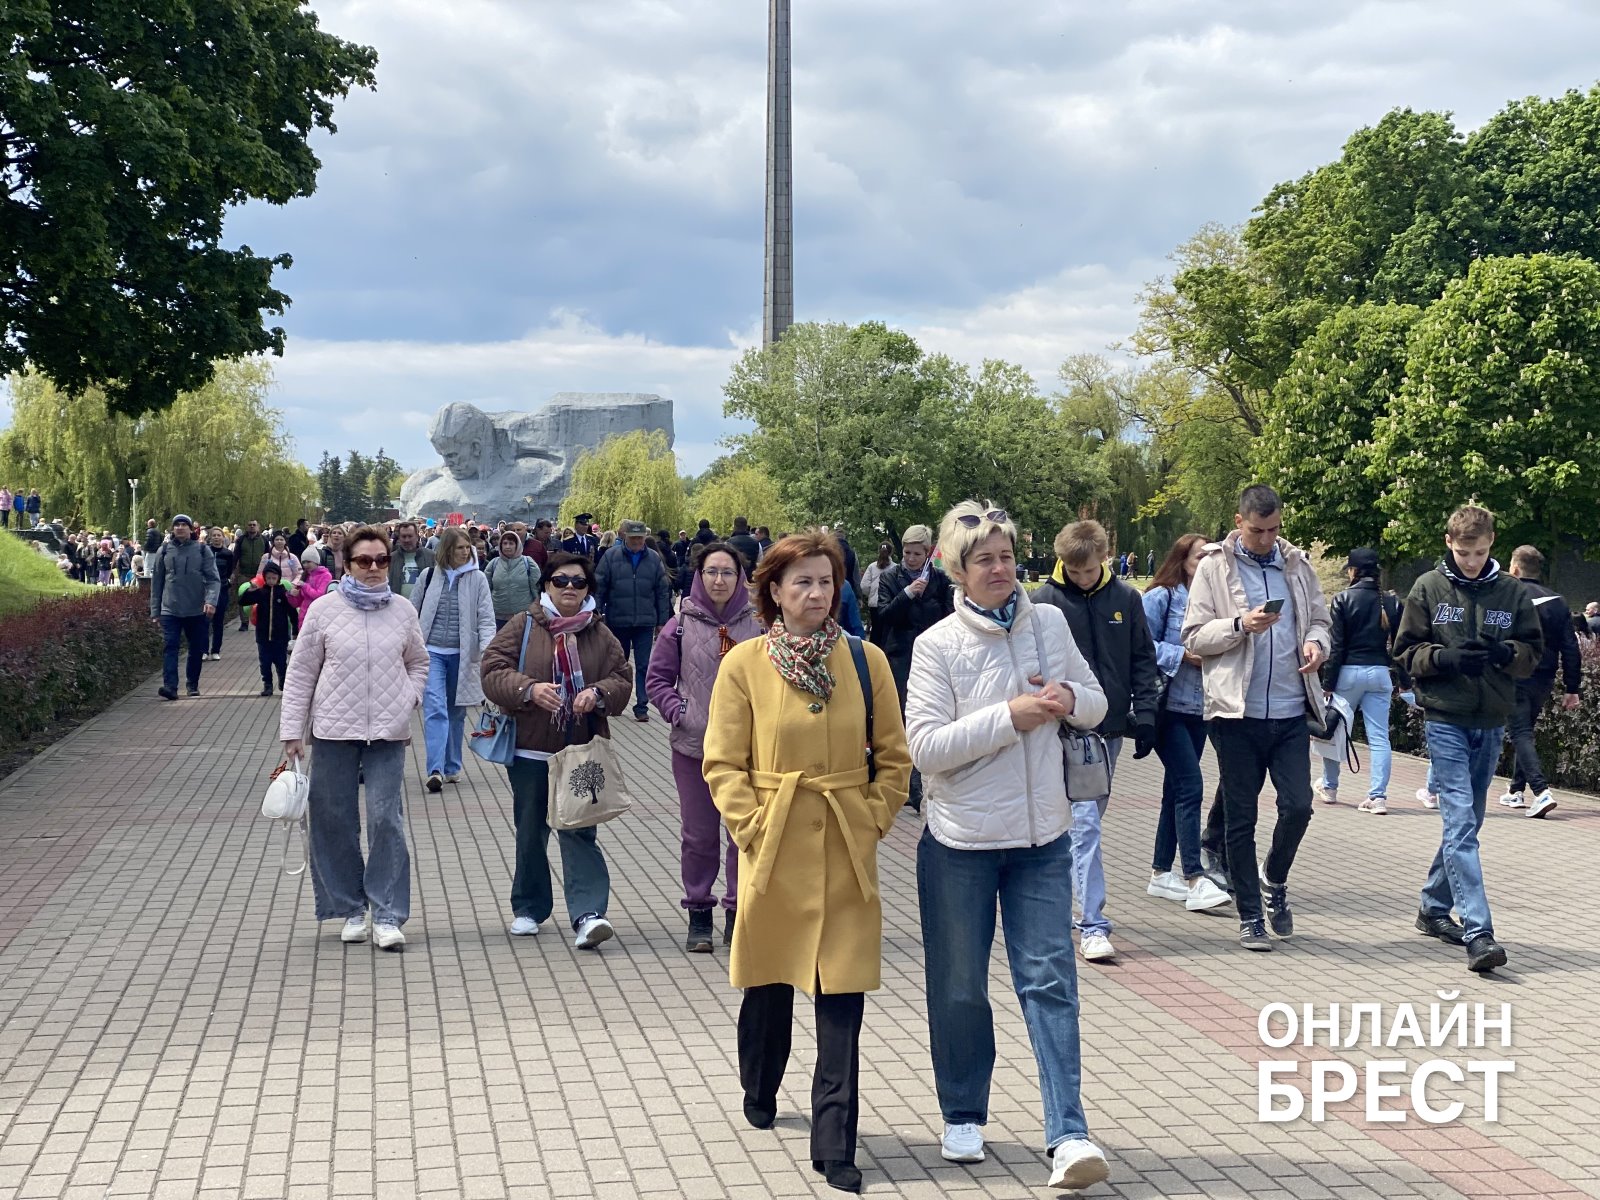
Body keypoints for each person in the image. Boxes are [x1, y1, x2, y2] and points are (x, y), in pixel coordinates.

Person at [903, 501, 1111, 1191]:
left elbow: (1097, 703)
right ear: (958, 571)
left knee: (1050, 982)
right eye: (983, 559)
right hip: (960, 843)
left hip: (1043, 840)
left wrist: (1068, 698)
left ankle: (1069, 1133)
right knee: (961, 988)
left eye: (1005, 555)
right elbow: (925, 748)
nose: (999, 568)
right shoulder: (936, 646)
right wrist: (1009, 717)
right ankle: (963, 1111)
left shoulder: (1049, 621)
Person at [702, 529, 911, 1195]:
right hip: (776, 841)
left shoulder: (865, 659)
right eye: (803, 582)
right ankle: (759, 1085)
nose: (817, 593)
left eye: (827, 581)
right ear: (774, 592)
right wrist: (753, 825)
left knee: (840, 996)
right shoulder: (744, 665)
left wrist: (873, 814)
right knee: (768, 987)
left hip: (845, 846)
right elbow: (723, 763)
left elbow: (895, 757)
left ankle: (835, 1143)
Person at [1181, 485, 1330, 952]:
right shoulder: (1214, 567)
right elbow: (1193, 637)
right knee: (1240, 818)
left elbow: (1321, 622)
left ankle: (1275, 879)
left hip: (1289, 711)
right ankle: (1249, 915)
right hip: (1235, 713)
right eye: (1258, 530)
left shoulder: (1297, 565)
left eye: (1274, 530)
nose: (1267, 539)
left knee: (1299, 806)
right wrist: (1239, 625)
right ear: (1238, 521)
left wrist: (1316, 645)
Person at [1393, 505, 1541, 972]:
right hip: (1445, 719)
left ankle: (1432, 908)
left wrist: (1504, 652)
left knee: (1468, 823)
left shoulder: (1512, 592)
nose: (1471, 560)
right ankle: (1479, 931)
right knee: (1459, 820)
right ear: (1447, 542)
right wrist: (1445, 659)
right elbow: (1405, 652)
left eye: (1478, 552)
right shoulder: (1428, 587)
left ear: (1492, 542)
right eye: (1462, 552)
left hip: (1491, 719)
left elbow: (1532, 653)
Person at [280, 525, 429, 950]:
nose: (374, 568)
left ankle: (386, 913)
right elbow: (302, 673)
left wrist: (410, 696)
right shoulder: (325, 611)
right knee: (333, 819)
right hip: (332, 730)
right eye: (364, 560)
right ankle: (349, 908)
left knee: (386, 819)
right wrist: (292, 730)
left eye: (381, 560)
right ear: (346, 563)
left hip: (387, 731)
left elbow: (419, 661)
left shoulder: (402, 609)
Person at [480, 551, 632, 949]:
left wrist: (598, 693)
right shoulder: (524, 624)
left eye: (578, 582)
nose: (569, 588)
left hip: (580, 749)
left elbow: (621, 678)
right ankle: (529, 908)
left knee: (580, 828)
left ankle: (588, 915)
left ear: (588, 589)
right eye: (561, 581)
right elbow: (493, 668)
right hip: (531, 749)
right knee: (531, 830)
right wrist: (528, 689)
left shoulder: (599, 632)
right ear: (546, 585)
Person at [1032, 520, 1165, 963]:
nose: (1082, 578)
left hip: (1107, 732)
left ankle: (1069, 906)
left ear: (1104, 559)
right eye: (1074, 570)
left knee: (1084, 826)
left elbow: (1143, 658)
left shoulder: (1126, 599)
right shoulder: (1043, 602)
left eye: (1089, 571)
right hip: (1057, 731)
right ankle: (1092, 922)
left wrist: (1145, 714)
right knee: (1081, 825)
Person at [645, 542, 763, 951]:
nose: (719, 580)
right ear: (699, 575)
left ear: (740, 578)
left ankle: (737, 913)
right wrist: (680, 711)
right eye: (711, 572)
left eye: (727, 573)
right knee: (698, 835)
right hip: (694, 747)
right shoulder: (679, 624)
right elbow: (656, 680)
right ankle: (699, 913)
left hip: (750, 751)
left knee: (741, 832)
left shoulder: (760, 624)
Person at [1142, 534, 1233, 911]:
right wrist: (1184, 654)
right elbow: (1140, 645)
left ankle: (1162, 873)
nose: (1207, 565)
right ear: (1181, 560)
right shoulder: (1162, 596)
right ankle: (1195, 876)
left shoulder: (1217, 600)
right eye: (1200, 558)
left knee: (1175, 789)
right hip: (1167, 707)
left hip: (1202, 709)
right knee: (1191, 786)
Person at [1315, 548, 1404, 814]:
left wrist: (1327, 684)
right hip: (1379, 673)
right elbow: (1400, 645)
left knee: (1335, 729)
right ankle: (1378, 797)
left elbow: (1337, 646)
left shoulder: (1343, 599)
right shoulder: (1391, 602)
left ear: (1353, 571)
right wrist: (1405, 681)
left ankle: (1330, 787)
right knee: (1380, 738)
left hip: (1348, 674)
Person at [875, 525, 955, 811]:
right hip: (900, 656)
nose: (911, 558)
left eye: (917, 554)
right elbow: (883, 616)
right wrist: (907, 594)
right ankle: (910, 785)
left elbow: (950, 616)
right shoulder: (890, 578)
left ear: (927, 553)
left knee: (932, 715)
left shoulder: (940, 579)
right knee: (902, 719)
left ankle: (922, 781)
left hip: (933, 656)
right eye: (907, 553)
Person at [1498, 544, 1581, 819]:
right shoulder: (1558, 601)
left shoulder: (1508, 595)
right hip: (1544, 677)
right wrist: (1572, 688)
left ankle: (1541, 792)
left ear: (1515, 568)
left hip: (1515, 673)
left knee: (1520, 732)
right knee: (1526, 731)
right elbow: (1571, 647)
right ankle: (1515, 791)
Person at [412, 526, 496, 793]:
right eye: (459, 547)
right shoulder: (428, 576)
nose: (465, 551)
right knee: (435, 708)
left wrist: (487, 651)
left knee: (456, 711)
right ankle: (434, 769)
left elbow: (485, 617)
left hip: (463, 654)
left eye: (467, 547)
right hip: (432, 652)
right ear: (447, 549)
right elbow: (411, 613)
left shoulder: (477, 578)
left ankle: (451, 766)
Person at [595, 519, 672, 723]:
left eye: (640, 538)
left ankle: (641, 706)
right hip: (617, 620)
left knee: (644, 665)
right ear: (625, 537)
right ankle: (617, 702)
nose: (637, 541)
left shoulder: (654, 559)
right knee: (618, 665)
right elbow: (600, 586)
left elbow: (662, 591)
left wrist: (662, 621)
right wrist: (595, 613)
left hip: (645, 621)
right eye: (633, 538)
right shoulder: (611, 557)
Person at [149, 515, 221, 701]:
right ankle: (170, 686)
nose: (180, 528)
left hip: (196, 608)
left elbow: (213, 579)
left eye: (184, 525)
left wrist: (211, 601)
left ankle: (192, 684)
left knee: (196, 648)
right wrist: (155, 611)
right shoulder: (164, 550)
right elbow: (156, 582)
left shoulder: (202, 550)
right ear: (173, 529)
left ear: (191, 529)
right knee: (170, 646)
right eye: (177, 525)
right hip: (170, 608)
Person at [240, 562, 299, 696]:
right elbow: (243, 601)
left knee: (281, 662)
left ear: (278, 578)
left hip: (281, 635)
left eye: (274, 578)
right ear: (264, 578)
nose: (271, 581)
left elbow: (292, 613)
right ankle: (267, 685)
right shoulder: (261, 592)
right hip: (263, 635)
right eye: (268, 578)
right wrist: (251, 590)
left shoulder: (284, 594)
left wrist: (295, 630)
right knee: (264, 662)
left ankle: (283, 682)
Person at [487, 530, 542, 629]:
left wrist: (538, 609)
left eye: (511, 543)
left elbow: (536, 588)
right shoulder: (493, 564)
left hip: (523, 616)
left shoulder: (528, 562)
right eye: (505, 543)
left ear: (517, 545)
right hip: (498, 617)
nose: (508, 546)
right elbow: (486, 590)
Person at [204, 529, 237, 661]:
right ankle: (204, 650)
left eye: (219, 535)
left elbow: (230, 570)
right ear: (210, 538)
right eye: (214, 536)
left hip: (222, 589)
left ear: (223, 538)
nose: (216, 538)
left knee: (218, 622)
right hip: (206, 589)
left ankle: (216, 650)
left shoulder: (228, 554)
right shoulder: (206, 551)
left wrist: (227, 582)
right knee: (204, 621)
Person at [232, 520, 267, 631]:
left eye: (254, 525)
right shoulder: (241, 540)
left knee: (261, 598)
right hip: (244, 574)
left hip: (259, 575)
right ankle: (244, 623)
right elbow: (236, 556)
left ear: (258, 527)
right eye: (250, 525)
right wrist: (233, 572)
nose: (252, 527)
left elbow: (268, 556)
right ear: (247, 527)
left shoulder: (264, 540)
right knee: (243, 597)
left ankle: (260, 620)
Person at [388, 521, 434, 600]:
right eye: (404, 536)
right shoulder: (392, 558)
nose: (407, 540)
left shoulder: (431, 556)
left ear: (416, 536)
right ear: (399, 538)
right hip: (398, 606)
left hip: (423, 606)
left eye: (410, 536)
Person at [859, 543, 895, 638]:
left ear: (879, 551)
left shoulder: (872, 567)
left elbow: (864, 585)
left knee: (875, 630)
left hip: (874, 604)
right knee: (887, 631)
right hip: (890, 603)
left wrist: (871, 594)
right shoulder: (895, 568)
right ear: (891, 552)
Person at [291, 547, 333, 625]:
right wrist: (292, 595)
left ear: (316, 561)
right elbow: (297, 603)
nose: (306, 565)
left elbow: (319, 595)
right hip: (304, 616)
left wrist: (305, 586)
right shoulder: (305, 576)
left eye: (308, 562)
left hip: (318, 614)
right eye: (303, 562)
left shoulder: (326, 575)